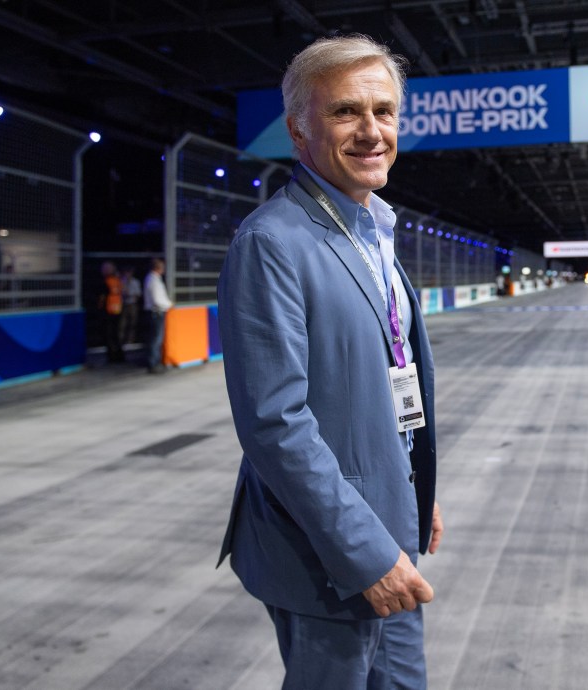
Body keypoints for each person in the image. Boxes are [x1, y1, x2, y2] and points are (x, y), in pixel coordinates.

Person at [216, 34, 443, 689]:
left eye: (383, 111)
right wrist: (366, 552)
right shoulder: (272, 242)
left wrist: (414, 487)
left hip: (388, 524)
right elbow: (275, 423)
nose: (371, 130)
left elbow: (385, 379)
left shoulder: (376, 230)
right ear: (298, 131)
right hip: (328, 553)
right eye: (345, 111)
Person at [143, 258, 172, 373]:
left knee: (155, 339)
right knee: (156, 339)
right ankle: (154, 364)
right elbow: (157, 300)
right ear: (158, 268)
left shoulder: (153, 278)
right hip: (156, 312)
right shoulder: (153, 280)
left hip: (156, 312)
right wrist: (169, 304)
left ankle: (155, 362)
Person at [98, 261, 124, 363]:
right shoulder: (117, 280)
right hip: (117, 309)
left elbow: (102, 297)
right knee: (116, 334)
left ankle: (112, 357)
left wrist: (99, 308)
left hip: (107, 311)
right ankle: (120, 355)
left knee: (109, 335)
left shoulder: (106, 281)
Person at [119, 266, 142, 345]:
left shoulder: (135, 282)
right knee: (122, 323)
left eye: (129, 272)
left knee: (132, 323)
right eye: (126, 272)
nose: (128, 274)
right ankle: (121, 340)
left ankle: (130, 340)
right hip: (123, 304)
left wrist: (130, 294)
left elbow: (138, 294)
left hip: (132, 305)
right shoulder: (121, 281)